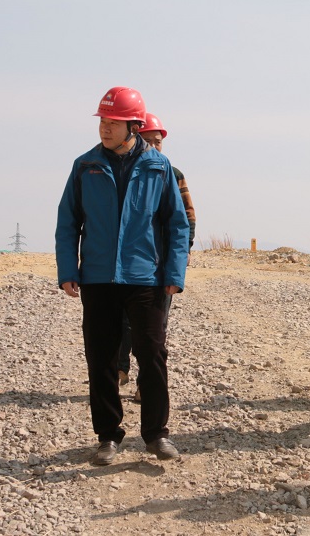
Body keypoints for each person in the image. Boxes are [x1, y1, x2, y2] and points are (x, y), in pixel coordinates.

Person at [56, 86, 190, 466]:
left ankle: (156, 434)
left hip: (145, 278)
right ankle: (107, 437)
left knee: (153, 355)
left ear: (133, 126)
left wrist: (174, 272)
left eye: (113, 122)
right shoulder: (85, 166)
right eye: (102, 120)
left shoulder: (159, 167)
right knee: (101, 359)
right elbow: (67, 222)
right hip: (97, 279)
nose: (105, 128)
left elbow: (178, 225)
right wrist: (68, 270)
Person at [119, 112, 198, 402]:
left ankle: (145, 384)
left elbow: (187, 217)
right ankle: (120, 370)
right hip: (130, 264)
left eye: (158, 141)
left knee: (154, 328)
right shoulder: (125, 172)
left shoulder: (172, 175)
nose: (153, 146)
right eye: (148, 140)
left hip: (161, 264)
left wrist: (184, 250)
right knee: (122, 322)